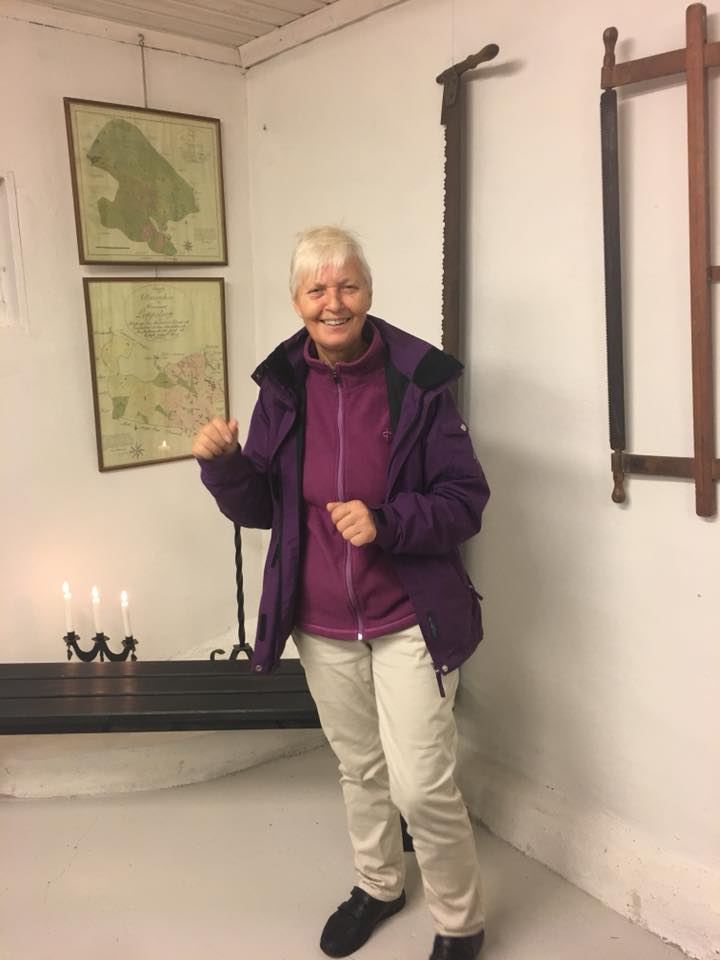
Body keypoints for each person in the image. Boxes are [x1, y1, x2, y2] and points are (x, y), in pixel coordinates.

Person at [192, 226, 490, 960]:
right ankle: (379, 885)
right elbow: (263, 506)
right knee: (360, 769)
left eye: (347, 285)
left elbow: (465, 499)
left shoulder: (419, 381)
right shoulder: (282, 386)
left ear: (369, 293)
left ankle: (459, 922)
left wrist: (386, 521)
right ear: (297, 301)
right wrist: (225, 466)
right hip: (322, 622)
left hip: (410, 616)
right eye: (317, 289)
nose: (334, 302)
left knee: (422, 786)